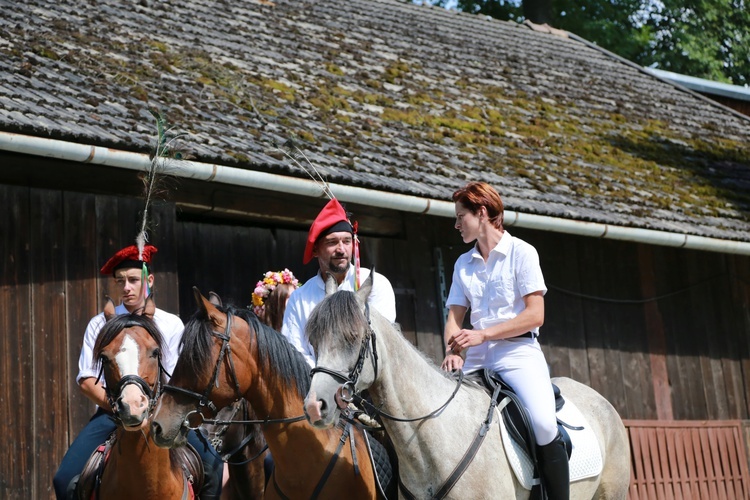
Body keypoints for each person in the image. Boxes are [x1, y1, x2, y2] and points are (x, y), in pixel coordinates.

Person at [53, 244, 223, 500]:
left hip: (162, 412)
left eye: (133, 280)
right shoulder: (100, 323)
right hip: (112, 411)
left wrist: (158, 409)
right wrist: (121, 407)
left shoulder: (170, 323)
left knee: (213, 465)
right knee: (64, 479)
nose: (126, 287)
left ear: (149, 280)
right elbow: (87, 380)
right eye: (121, 281)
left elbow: (177, 376)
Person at [440, 182, 569, 500]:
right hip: (477, 359)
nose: (456, 225)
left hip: (518, 355)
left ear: (481, 213)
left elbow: (535, 315)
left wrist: (483, 334)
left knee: (542, 424)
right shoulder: (462, 264)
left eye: (461, 217)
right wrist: (452, 350)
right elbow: (454, 318)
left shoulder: (522, 253)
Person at [282, 198, 396, 367]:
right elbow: (295, 351)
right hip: (315, 385)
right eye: (332, 242)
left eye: (346, 241)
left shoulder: (375, 283)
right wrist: (325, 380)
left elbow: (381, 340)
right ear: (315, 250)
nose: (341, 250)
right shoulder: (299, 298)